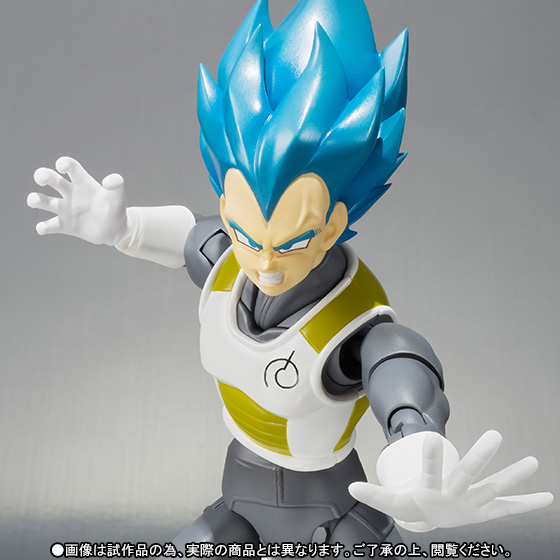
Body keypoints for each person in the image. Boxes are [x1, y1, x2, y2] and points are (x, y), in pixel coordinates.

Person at [28, 0, 552, 554]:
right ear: (228, 211)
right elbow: (188, 236)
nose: (265, 263)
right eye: (247, 235)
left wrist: (417, 459)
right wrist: (122, 228)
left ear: (333, 226)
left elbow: (399, 373)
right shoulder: (228, 261)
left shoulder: (358, 329)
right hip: (237, 503)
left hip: (338, 512)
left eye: (292, 241)